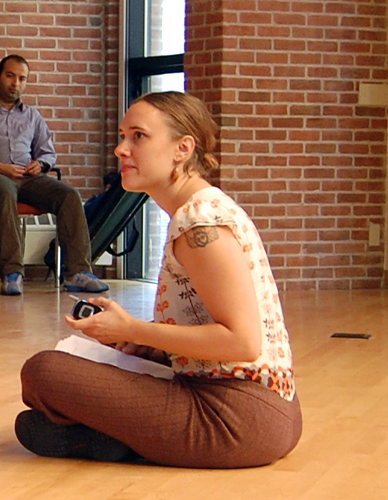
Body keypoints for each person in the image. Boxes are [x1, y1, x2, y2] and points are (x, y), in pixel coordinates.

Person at [16, 92, 300, 468]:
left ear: (182, 148)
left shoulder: (200, 224)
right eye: (122, 136)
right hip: (259, 411)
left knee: (43, 372)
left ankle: (124, 438)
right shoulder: (199, 210)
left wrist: (134, 329)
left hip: (236, 419)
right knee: (34, 419)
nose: (121, 149)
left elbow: (243, 342)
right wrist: (149, 344)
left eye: (138, 137)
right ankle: (125, 440)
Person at [0, 55, 109, 295]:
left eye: (22, 79)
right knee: (4, 192)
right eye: (10, 76)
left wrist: (41, 165)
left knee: (69, 195)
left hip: (29, 177)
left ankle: (77, 272)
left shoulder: (32, 115)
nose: (16, 83)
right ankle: (13, 273)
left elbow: (47, 151)